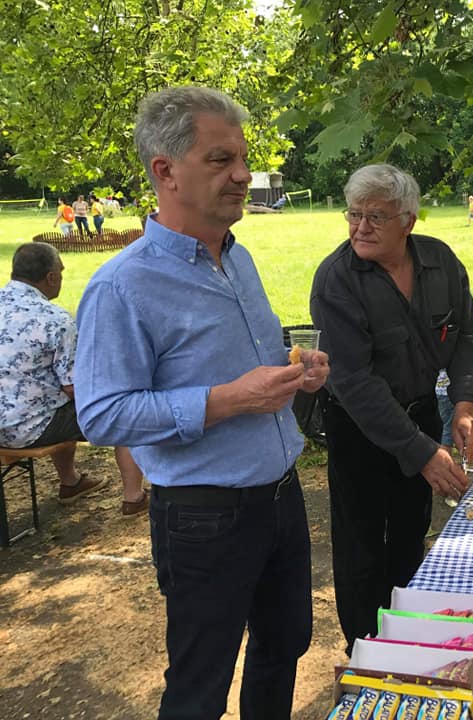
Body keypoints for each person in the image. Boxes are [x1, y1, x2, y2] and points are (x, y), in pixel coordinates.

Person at [73, 86, 329, 719]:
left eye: (242, 159)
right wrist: (225, 400)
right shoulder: (121, 286)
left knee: (284, 644)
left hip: (281, 494)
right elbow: (101, 414)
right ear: (165, 171)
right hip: (204, 515)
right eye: (221, 160)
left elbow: (247, 364)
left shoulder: (238, 260)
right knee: (200, 687)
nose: (242, 175)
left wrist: (296, 371)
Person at [310, 163, 473, 656]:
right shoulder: (336, 280)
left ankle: (407, 636)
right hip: (358, 428)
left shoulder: (440, 262)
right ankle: (366, 651)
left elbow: (467, 335)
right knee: (361, 544)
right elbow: (355, 383)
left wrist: (464, 404)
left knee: (411, 530)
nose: (360, 227)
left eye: (376, 217)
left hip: (422, 412)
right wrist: (422, 452)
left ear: (408, 220)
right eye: (354, 214)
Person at [0, 243, 146, 515]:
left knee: (53, 401)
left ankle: (71, 482)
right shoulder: (55, 319)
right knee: (124, 410)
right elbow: (76, 389)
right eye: (61, 272)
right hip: (29, 429)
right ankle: (133, 497)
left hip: (4, 424)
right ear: (51, 277)